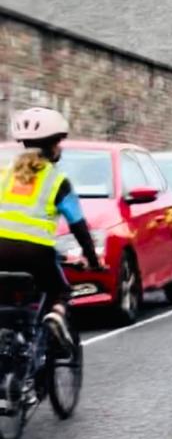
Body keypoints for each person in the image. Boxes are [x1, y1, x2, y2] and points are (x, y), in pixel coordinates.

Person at [0, 107, 103, 347]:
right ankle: (55, 317)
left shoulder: (4, 175)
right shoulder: (56, 181)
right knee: (60, 291)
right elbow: (79, 226)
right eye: (59, 143)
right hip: (36, 255)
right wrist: (93, 260)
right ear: (54, 146)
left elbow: (16, 226)